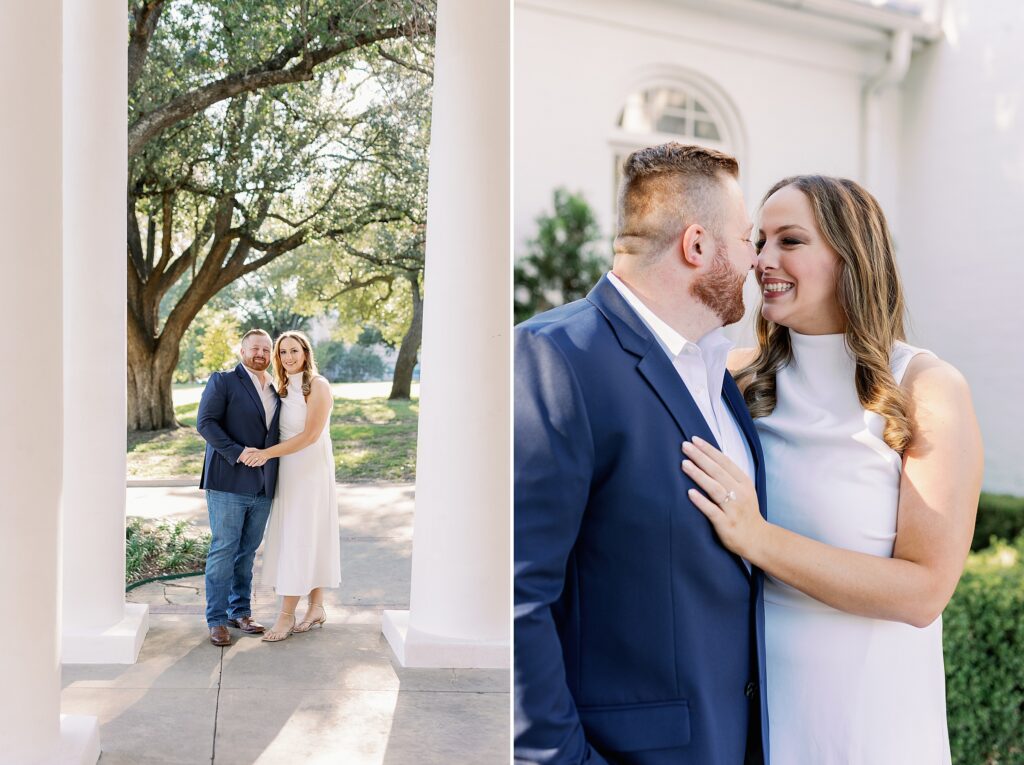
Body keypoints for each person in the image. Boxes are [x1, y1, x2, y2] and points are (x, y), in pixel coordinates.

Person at [681, 175, 983, 763]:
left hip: (872, 727)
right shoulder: (734, 380)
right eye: (760, 240)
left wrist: (760, 539)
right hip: (751, 725)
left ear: (852, 257)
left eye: (790, 241)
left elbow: (924, 592)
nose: (763, 260)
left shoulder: (925, 387)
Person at [515, 143, 768, 765]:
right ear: (698, 246)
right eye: (748, 240)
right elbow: (516, 599)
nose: (757, 261)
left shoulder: (719, 376)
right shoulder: (555, 359)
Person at [239, 330, 341, 642]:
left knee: (300, 538)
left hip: (310, 471)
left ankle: (285, 617)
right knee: (305, 537)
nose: (288, 357)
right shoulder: (282, 386)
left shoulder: (318, 386)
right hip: (288, 472)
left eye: (294, 351)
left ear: (306, 353)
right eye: (282, 352)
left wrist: (265, 455)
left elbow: (311, 436)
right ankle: (316, 608)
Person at [196, 328, 281, 647]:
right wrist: (237, 452)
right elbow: (205, 423)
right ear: (242, 351)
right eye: (255, 348)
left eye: (265, 350)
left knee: (247, 552)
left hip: (263, 484)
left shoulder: (276, 388)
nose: (260, 354)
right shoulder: (224, 380)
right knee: (224, 549)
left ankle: (239, 612)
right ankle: (216, 619)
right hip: (229, 480)